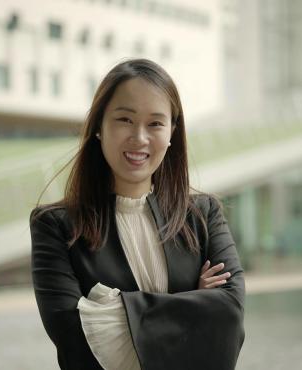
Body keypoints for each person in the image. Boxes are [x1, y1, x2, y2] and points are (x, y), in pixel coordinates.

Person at [30, 58, 245, 370]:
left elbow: (229, 317)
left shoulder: (204, 216)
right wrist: (195, 308)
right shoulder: (56, 227)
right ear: (99, 128)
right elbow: (75, 341)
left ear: (172, 132)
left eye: (155, 123)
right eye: (125, 120)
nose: (140, 137)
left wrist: (116, 313)